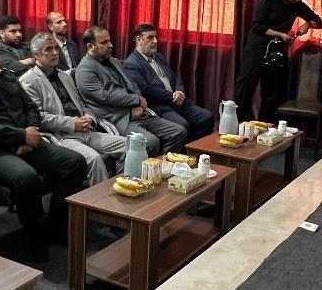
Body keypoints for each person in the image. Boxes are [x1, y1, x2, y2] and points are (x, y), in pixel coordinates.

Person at [0, 26, 86, 262]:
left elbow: (31, 108)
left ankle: (53, 225)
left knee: (75, 162)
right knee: (25, 177)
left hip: (26, 139)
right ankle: (33, 234)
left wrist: (31, 132)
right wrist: (21, 136)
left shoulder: (6, 76)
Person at [22, 32, 126, 185]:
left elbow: (82, 105)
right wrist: (72, 123)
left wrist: (89, 118)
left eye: (56, 48)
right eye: (48, 49)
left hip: (85, 129)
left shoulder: (64, 76)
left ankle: (125, 187)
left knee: (129, 145)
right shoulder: (28, 81)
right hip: (61, 136)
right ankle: (102, 200)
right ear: (36, 55)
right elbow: (39, 117)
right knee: (94, 158)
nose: (55, 52)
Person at [74, 25, 187, 155]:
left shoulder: (114, 61)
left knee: (178, 132)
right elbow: (105, 96)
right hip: (117, 118)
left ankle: (161, 164)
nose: (110, 45)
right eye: (104, 43)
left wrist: (138, 102)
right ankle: (148, 166)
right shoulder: (84, 70)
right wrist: (136, 100)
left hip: (139, 112)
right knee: (150, 142)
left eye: (109, 41)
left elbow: (132, 84)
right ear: (90, 46)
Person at [234, 0, 322, 122]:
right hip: (257, 49)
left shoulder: (297, 5)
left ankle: (264, 128)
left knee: (271, 96)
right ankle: (236, 126)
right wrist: (280, 34)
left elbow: (318, 22)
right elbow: (257, 26)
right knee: (244, 90)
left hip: (277, 52)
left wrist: (307, 24)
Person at [122, 24, 214, 141]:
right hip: (160, 106)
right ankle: (183, 150)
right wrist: (172, 96)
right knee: (183, 125)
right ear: (139, 40)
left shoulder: (160, 57)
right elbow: (146, 90)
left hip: (178, 101)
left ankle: (194, 149)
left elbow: (175, 78)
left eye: (155, 37)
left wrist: (180, 92)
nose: (155, 41)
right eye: (150, 37)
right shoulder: (131, 64)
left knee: (206, 117)